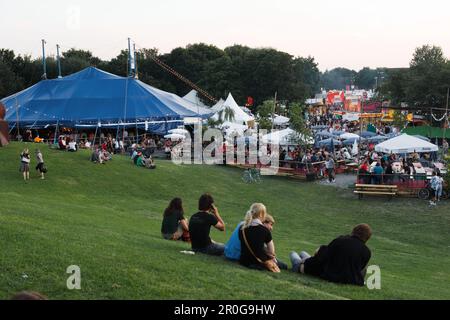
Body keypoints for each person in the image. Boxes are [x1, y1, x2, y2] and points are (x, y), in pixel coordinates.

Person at [290, 224, 372, 286]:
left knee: (293, 254)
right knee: (303, 253)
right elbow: (360, 268)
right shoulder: (367, 252)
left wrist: (307, 262)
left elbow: (322, 258)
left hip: (327, 271)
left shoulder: (340, 240)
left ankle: (297, 260)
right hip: (348, 277)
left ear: (354, 231)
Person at [238, 203, 278, 271]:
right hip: (259, 262)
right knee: (283, 265)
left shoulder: (242, 228)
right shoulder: (264, 230)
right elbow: (271, 252)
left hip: (243, 261)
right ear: (261, 214)